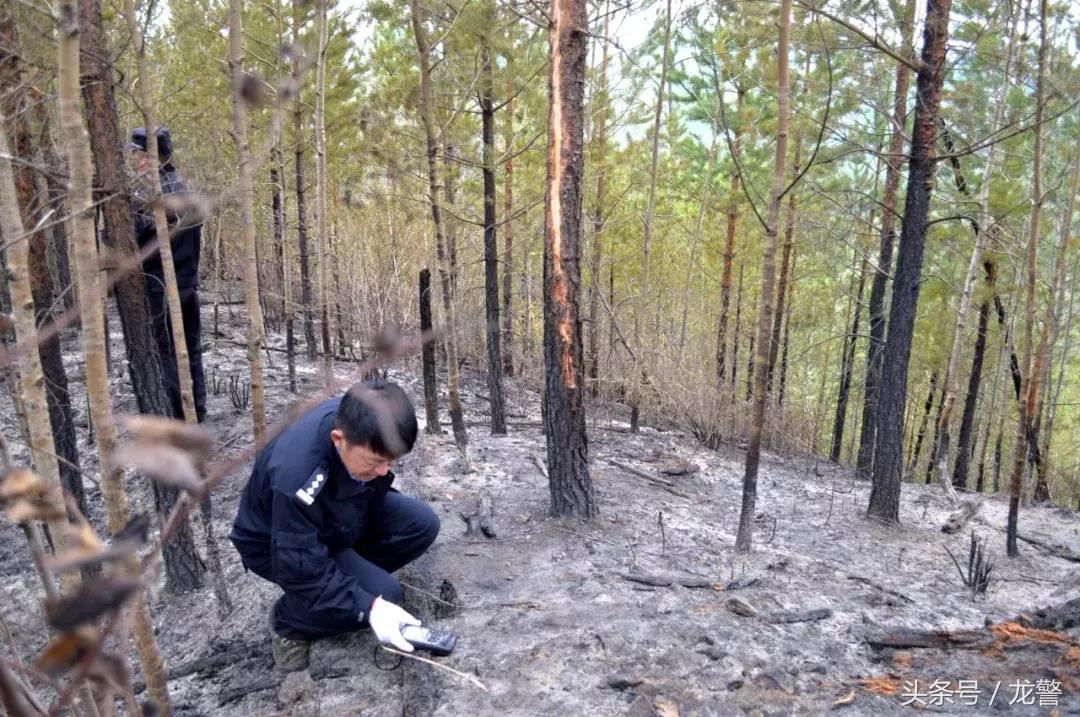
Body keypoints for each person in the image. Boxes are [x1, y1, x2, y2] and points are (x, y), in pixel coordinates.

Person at [229, 380, 440, 671]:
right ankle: (290, 621)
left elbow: (372, 479)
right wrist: (369, 607)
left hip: (339, 511)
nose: (383, 471)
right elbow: (300, 569)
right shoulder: (296, 479)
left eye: (391, 462)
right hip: (274, 543)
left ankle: (348, 581)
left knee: (421, 524)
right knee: (384, 594)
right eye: (376, 461)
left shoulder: (360, 418)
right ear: (338, 439)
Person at [128, 126, 207, 422]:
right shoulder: (189, 189)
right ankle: (197, 409)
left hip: (161, 286)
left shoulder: (151, 198)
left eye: (139, 155)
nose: (136, 161)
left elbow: (128, 237)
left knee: (168, 353)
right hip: (188, 283)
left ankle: (178, 416)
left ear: (153, 157)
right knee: (191, 349)